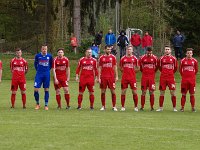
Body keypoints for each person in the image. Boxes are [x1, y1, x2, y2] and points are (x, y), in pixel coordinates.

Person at [156, 46, 178, 112]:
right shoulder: (161, 59)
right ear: (164, 50)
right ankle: (160, 107)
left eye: (168, 49)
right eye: (166, 49)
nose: (167, 50)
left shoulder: (174, 59)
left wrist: (170, 73)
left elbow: (175, 68)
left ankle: (174, 107)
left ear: (170, 50)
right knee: (162, 92)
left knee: (172, 92)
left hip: (171, 78)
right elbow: (160, 68)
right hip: (163, 78)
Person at [98, 45, 118, 111]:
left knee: (113, 91)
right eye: (107, 49)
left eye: (110, 49)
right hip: (103, 77)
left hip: (111, 77)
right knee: (103, 91)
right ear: (105, 50)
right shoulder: (101, 58)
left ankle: (114, 106)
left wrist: (116, 76)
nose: (109, 50)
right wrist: (99, 77)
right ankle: (103, 106)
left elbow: (115, 67)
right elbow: (100, 68)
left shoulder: (113, 57)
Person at [119, 45, 139, 111]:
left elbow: (138, 68)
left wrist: (133, 72)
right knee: (123, 92)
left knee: (134, 92)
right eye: (128, 49)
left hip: (132, 78)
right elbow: (120, 67)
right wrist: (125, 72)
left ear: (132, 50)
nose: (129, 50)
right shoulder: (123, 58)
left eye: (130, 49)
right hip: (124, 78)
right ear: (126, 50)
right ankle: (122, 106)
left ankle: (136, 107)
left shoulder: (135, 58)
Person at [34, 45, 53, 110]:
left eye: (45, 49)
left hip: (46, 74)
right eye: (43, 49)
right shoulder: (37, 56)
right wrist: (38, 70)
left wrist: (47, 70)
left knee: (46, 89)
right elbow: (35, 64)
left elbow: (51, 64)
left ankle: (46, 105)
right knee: (36, 89)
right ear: (41, 49)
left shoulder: (50, 56)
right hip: (39, 74)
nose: (44, 50)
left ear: (47, 49)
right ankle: (37, 104)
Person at [139, 47, 158, 111]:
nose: (149, 53)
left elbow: (156, 67)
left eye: (150, 52)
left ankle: (152, 107)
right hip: (144, 77)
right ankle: (142, 106)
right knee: (143, 92)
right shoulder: (142, 58)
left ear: (152, 52)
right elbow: (141, 68)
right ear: (146, 51)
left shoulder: (155, 58)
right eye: (148, 52)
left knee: (151, 92)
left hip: (151, 78)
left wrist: (152, 73)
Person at [179, 48, 198, 112]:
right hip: (184, 81)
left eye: (190, 53)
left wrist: (191, 76)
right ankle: (182, 108)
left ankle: (193, 108)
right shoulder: (182, 61)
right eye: (188, 53)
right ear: (186, 53)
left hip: (192, 81)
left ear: (192, 54)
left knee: (192, 94)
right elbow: (180, 70)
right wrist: (184, 76)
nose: (189, 54)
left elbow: (196, 70)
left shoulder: (195, 61)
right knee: (183, 94)